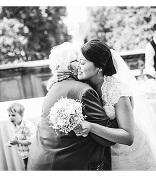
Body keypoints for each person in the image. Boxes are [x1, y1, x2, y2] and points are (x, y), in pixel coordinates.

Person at [75, 40, 156, 170]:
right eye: (77, 61)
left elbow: (128, 137)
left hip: (128, 152)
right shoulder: (85, 83)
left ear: (99, 67)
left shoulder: (117, 91)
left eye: (83, 63)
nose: (77, 66)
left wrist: (91, 127)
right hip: (106, 149)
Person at [28, 42, 118, 170]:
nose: (81, 64)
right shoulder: (84, 91)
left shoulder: (54, 87)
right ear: (70, 66)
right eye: (79, 60)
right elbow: (109, 139)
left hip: (39, 160)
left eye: (84, 61)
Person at [6, 102, 36, 169]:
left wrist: (17, 142)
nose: (10, 117)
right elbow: (16, 136)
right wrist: (13, 141)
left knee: (32, 168)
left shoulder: (28, 126)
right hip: (24, 154)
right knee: (27, 167)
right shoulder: (13, 126)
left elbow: (30, 141)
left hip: (32, 154)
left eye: (13, 115)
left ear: (21, 115)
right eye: (9, 115)